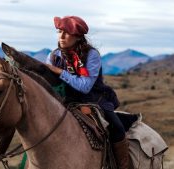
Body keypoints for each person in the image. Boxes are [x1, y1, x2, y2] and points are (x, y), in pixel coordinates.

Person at [45, 16, 129, 169]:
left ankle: (124, 166)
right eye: (59, 32)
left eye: (66, 33)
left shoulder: (91, 55)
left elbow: (85, 86)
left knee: (116, 127)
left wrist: (59, 71)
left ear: (77, 36)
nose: (61, 37)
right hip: (65, 100)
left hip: (94, 99)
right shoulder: (53, 56)